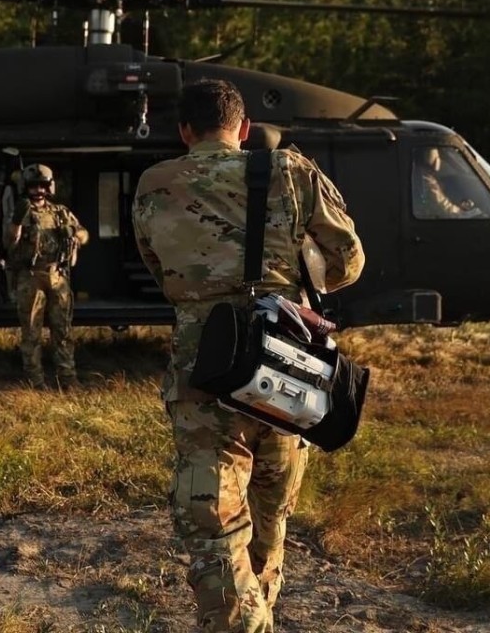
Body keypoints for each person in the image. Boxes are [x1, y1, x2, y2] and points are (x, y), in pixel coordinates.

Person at [132, 79, 364, 632]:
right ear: (243, 129)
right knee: (270, 517)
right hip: (286, 362)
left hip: (203, 367)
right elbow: (348, 261)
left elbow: (160, 269)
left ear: (184, 131)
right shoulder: (291, 171)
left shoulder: (155, 182)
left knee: (213, 527)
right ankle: (259, 616)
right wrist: (295, 284)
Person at [4, 163, 89, 390]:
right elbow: (9, 242)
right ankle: (35, 381)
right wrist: (16, 222)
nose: (38, 191)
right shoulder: (21, 211)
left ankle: (68, 378)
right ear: (26, 187)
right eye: (34, 186)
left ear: (49, 187)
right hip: (31, 277)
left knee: (63, 331)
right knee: (31, 333)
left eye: (42, 186)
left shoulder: (60, 212)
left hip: (57, 276)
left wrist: (74, 233)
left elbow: (84, 234)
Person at [414, 147, 484, 218]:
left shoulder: (428, 176)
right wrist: (463, 213)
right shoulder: (426, 180)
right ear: (436, 162)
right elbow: (444, 208)